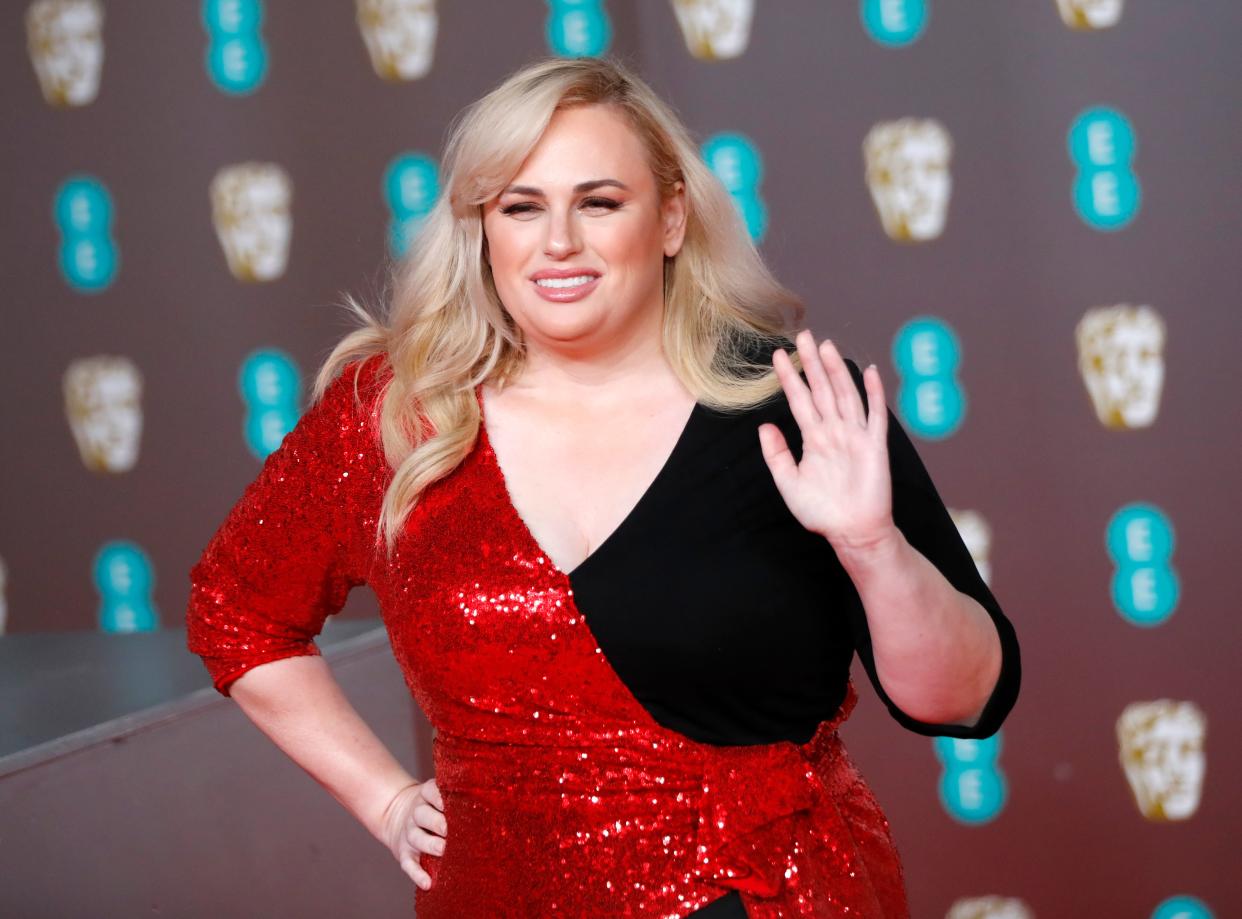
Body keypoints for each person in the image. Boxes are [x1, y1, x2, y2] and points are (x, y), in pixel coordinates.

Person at [186, 55, 1020, 918]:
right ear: (481, 228)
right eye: (520, 206)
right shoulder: (394, 416)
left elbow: (964, 703)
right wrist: (387, 799)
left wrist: (872, 545)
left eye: (598, 202)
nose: (558, 243)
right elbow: (235, 610)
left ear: (669, 218)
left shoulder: (800, 408)